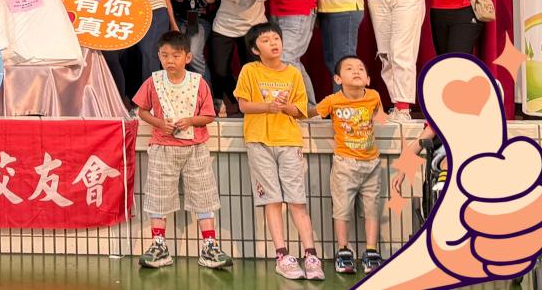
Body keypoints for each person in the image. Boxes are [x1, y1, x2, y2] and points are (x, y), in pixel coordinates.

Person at [134, 31, 232, 270]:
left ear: (188, 57)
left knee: (204, 195)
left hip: (195, 148)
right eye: (165, 55)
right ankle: (158, 245)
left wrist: (190, 121)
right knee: (158, 196)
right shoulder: (153, 81)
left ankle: (210, 246)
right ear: (158, 56)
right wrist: (159, 123)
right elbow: (141, 110)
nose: (170, 60)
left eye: (176, 55)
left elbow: (208, 115)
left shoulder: (199, 82)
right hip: (163, 147)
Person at [235, 23, 322, 280]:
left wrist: (284, 107)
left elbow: (300, 111)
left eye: (276, 38)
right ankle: (282, 256)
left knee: (297, 200)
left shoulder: (293, 73)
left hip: (289, 141)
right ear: (255, 49)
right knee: (271, 200)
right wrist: (268, 106)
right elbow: (243, 105)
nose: (273, 43)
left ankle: (311, 255)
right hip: (259, 142)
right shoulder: (249, 70)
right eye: (266, 40)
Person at [314, 56, 385, 275]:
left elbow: (380, 117)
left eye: (361, 69)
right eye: (349, 68)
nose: (356, 71)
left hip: (371, 162)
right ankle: (343, 250)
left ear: (368, 79)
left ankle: (371, 250)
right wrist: (290, 110)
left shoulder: (374, 96)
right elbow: (313, 112)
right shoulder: (332, 101)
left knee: (372, 208)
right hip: (345, 163)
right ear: (337, 78)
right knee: (342, 208)